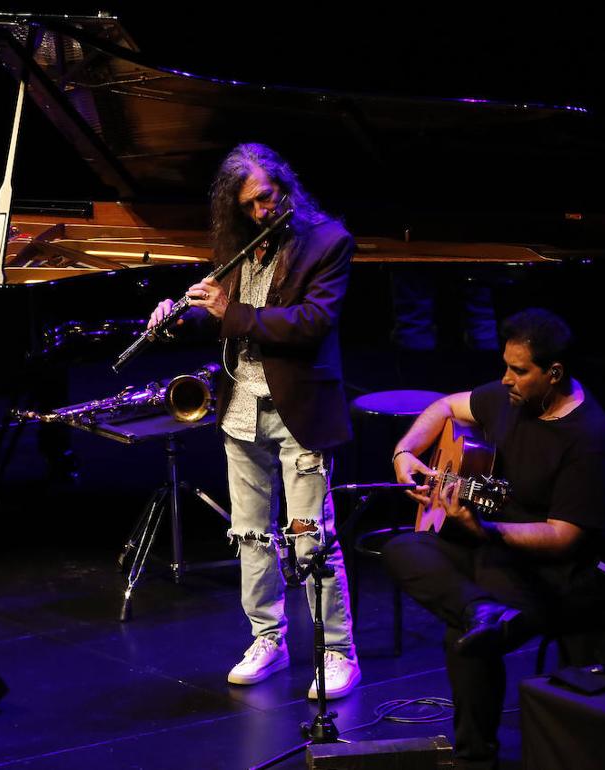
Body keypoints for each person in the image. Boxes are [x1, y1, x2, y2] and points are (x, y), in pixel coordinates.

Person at [148, 143, 360, 699]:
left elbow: (311, 322)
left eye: (267, 197)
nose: (263, 211)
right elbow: (222, 322)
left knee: (311, 537)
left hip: (299, 409)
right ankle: (268, 638)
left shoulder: (329, 241)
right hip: (241, 408)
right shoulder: (242, 246)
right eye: (249, 206)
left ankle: (338, 652)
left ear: (285, 183)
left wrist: (229, 311)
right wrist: (181, 317)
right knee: (250, 536)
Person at [383, 308, 605, 769]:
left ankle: (476, 758)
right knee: (401, 548)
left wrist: (485, 530)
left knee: (469, 640)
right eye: (506, 366)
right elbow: (442, 406)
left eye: (519, 370)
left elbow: (563, 538)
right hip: (493, 549)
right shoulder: (509, 399)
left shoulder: (588, 439)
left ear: (553, 373)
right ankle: (478, 608)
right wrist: (406, 451)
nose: (506, 379)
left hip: (556, 575)